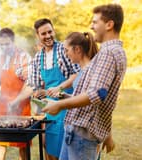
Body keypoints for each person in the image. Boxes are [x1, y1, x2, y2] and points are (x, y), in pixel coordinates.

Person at [42, 4, 125, 160]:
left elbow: (96, 95)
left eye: (95, 22)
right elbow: (92, 95)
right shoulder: (108, 52)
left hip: (82, 136)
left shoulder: (109, 53)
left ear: (109, 24)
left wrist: (59, 105)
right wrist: (62, 99)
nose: (91, 27)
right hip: (76, 134)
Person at [9, 18, 80, 160]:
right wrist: (15, 101)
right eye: (43, 34)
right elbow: (32, 85)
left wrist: (59, 87)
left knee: (68, 150)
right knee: (49, 148)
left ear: (53, 31)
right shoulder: (38, 58)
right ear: (38, 36)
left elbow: (77, 74)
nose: (48, 36)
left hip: (69, 106)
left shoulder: (63, 50)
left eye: (50, 32)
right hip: (50, 111)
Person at [0, 28, 31, 160]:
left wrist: (16, 101)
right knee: (1, 140)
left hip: (21, 105)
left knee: (22, 144)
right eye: (1, 44)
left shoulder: (24, 56)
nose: (4, 47)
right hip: (4, 104)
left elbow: (28, 83)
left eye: (7, 44)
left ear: (13, 41)